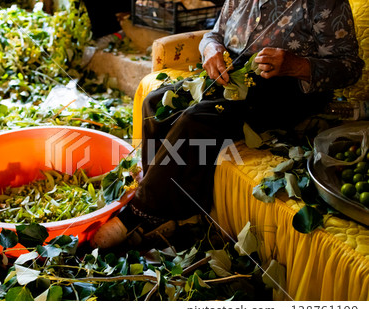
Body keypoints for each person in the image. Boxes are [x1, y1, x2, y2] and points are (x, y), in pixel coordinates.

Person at [91, 0, 364, 249]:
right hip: (233, 76)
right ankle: (171, 212)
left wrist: (296, 65)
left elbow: (349, 67)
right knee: (155, 104)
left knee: (195, 122)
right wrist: (211, 49)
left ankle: (140, 213)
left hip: (286, 90)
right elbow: (214, 33)